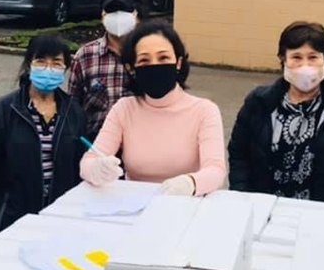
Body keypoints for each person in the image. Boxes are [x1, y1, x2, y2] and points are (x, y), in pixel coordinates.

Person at [227, 21, 324, 206]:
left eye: (313, 57)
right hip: (266, 211)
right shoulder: (258, 103)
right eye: (296, 57)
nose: (305, 66)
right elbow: (239, 155)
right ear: (283, 59)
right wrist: (243, 199)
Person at [80, 20, 226, 196]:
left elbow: (216, 170)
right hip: (132, 204)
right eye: (144, 60)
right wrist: (96, 169)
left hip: (186, 202)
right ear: (131, 68)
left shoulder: (204, 111)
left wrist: (191, 182)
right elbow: (88, 161)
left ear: (178, 62)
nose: (155, 65)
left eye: (163, 58)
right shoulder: (124, 109)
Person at [0, 35, 86, 235]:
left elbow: (78, 164)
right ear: (29, 64)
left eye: (56, 63)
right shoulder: (5, 110)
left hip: (61, 216)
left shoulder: (73, 111)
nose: (48, 69)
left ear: (65, 68)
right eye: (41, 61)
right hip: (14, 216)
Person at [69, 0, 143, 139]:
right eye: (112, 10)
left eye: (124, 10)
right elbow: (73, 108)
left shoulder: (149, 55)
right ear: (102, 15)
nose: (118, 16)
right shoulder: (85, 55)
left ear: (137, 15)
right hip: (95, 144)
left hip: (140, 143)